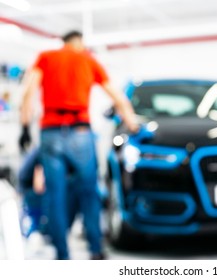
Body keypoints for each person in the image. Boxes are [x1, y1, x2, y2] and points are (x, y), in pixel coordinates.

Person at [19, 30, 139, 260]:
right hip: (81, 132)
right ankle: (96, 250)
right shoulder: (88, 60)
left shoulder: (46, 57)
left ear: (62, 42)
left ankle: (63, 255)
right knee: (89, 193)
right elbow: (116, 95)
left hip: (51, 132)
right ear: (79, 43)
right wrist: (132, 123)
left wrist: (25, 125)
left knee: (55, 195)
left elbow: (28, 91)